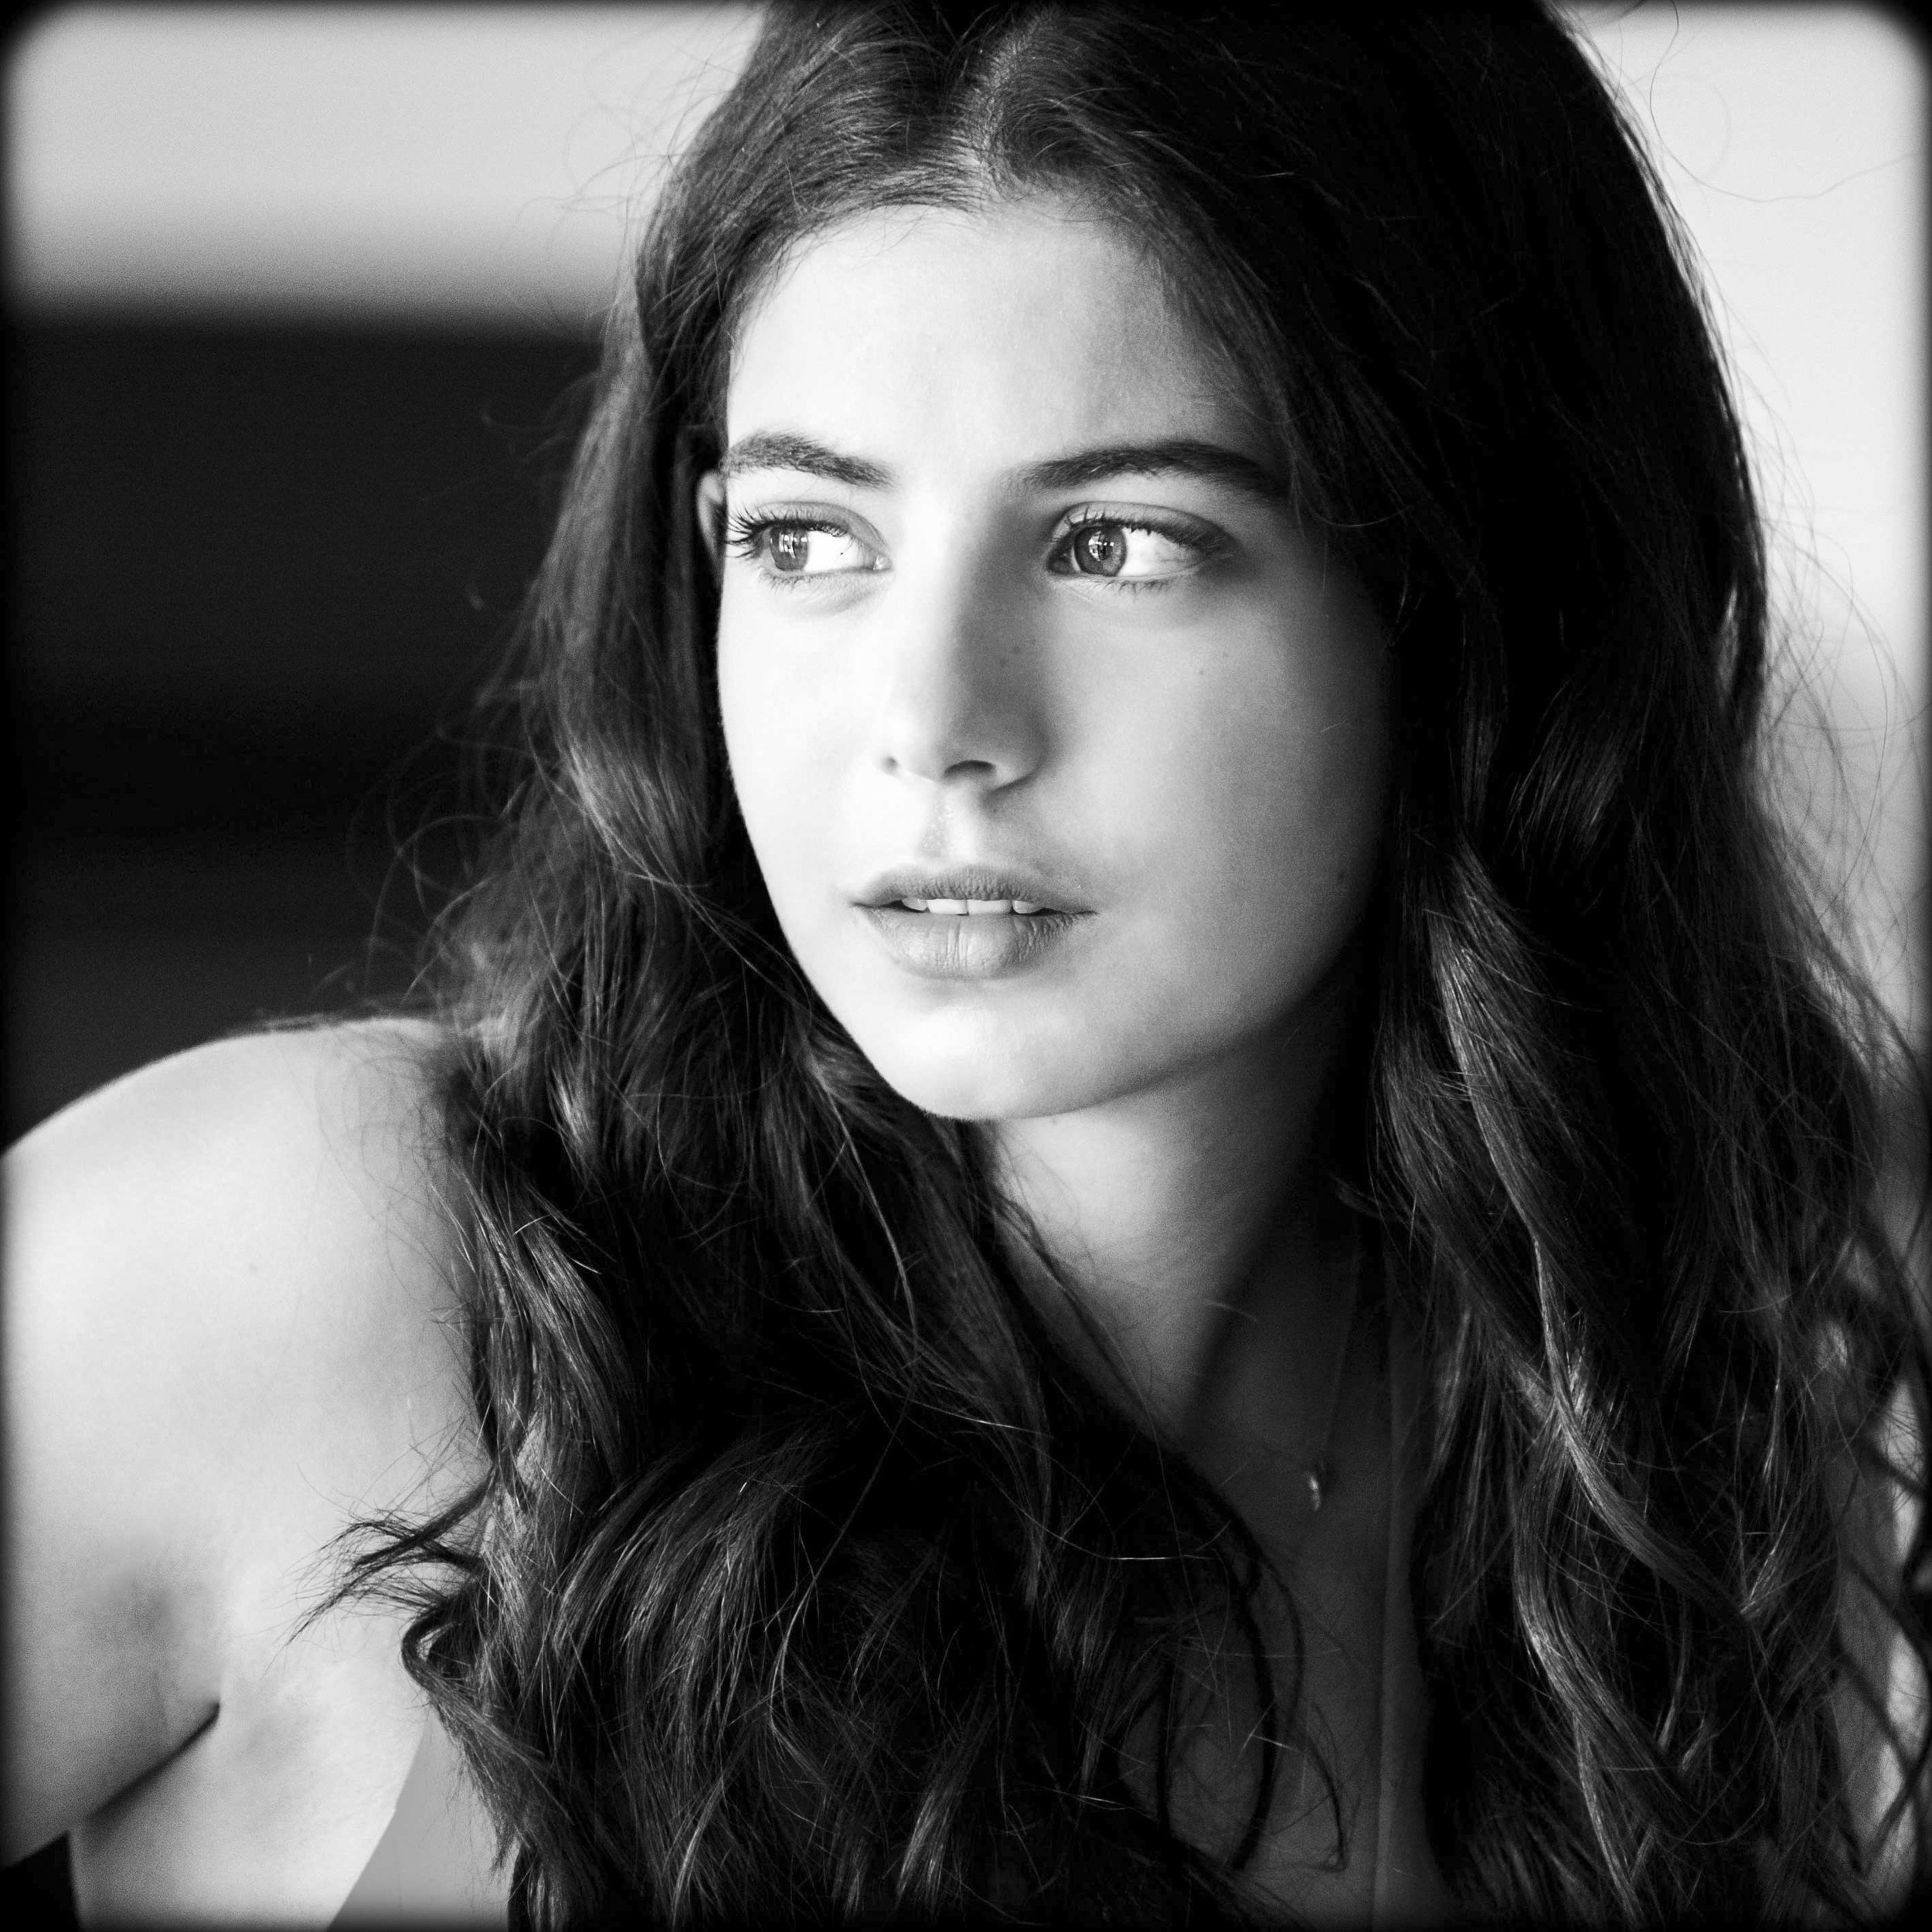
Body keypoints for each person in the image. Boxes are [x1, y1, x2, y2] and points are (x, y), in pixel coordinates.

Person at [5, 1, 1928, 1922]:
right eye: (804, 534)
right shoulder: (297, 1272)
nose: (927, 722)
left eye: (1114, 541)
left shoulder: (1669, 1500)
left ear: (1474, 610)